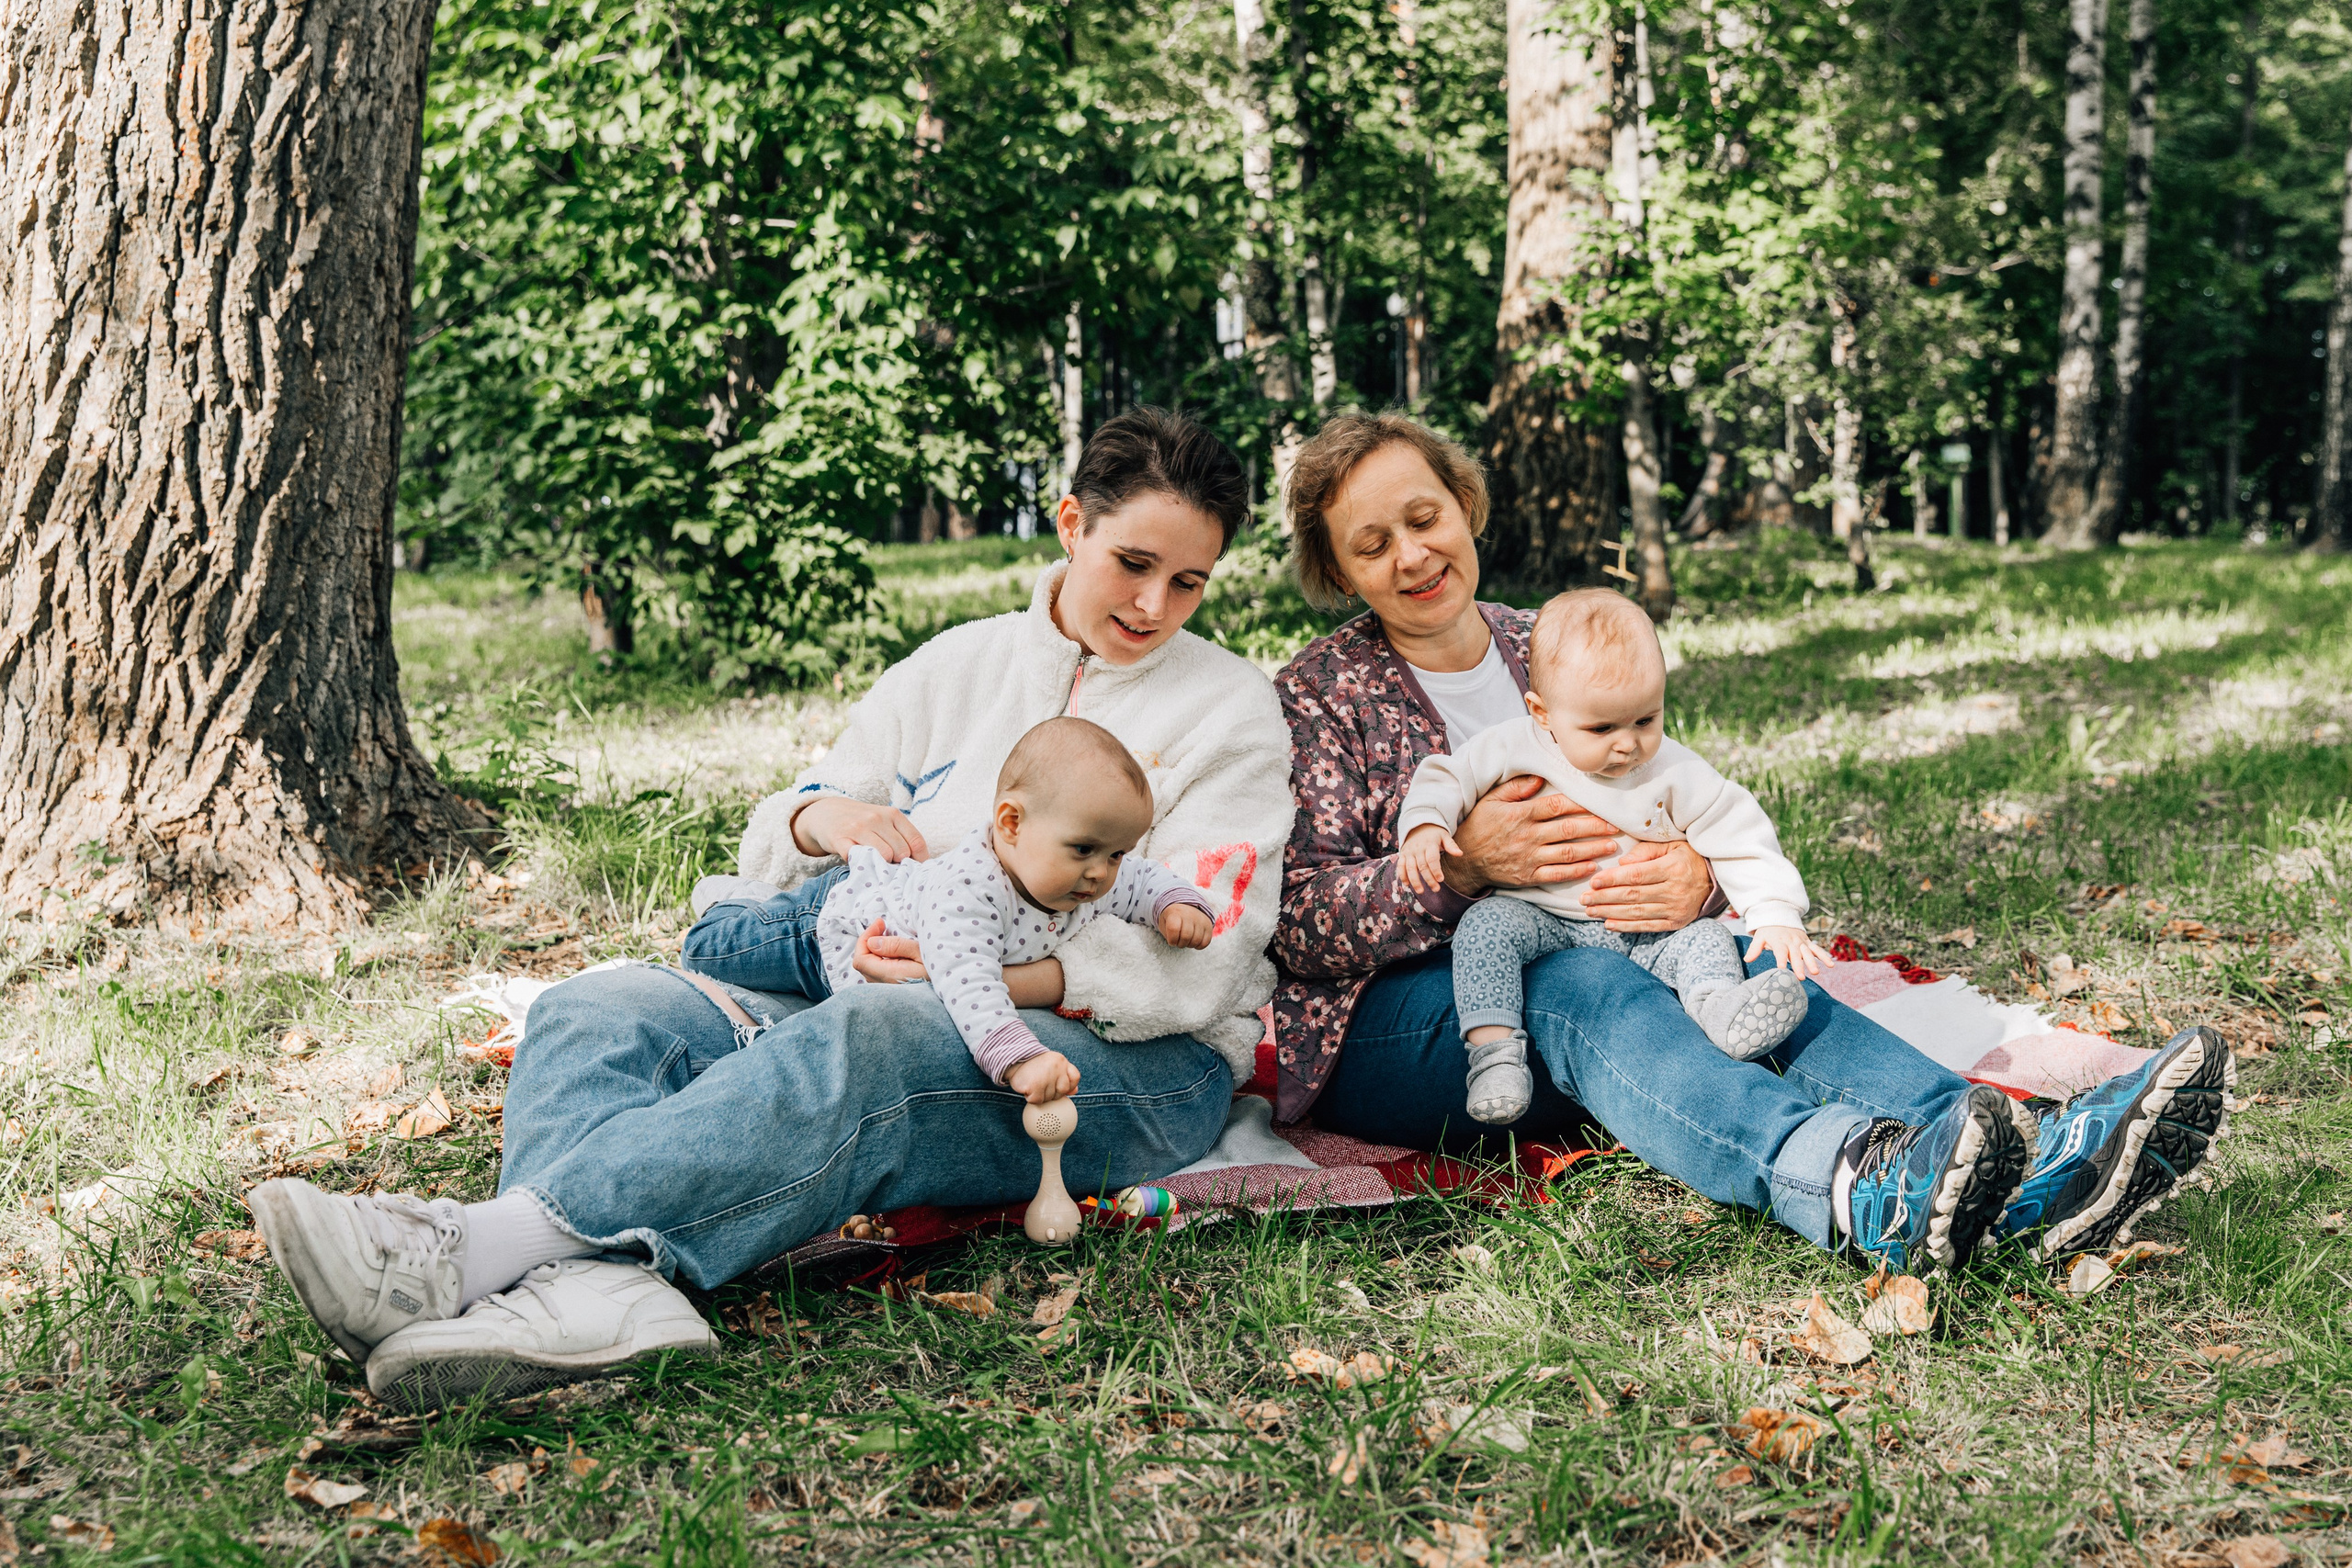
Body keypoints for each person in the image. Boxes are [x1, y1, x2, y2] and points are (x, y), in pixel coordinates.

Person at [247, 408, 1295, 1411]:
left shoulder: (1230, 709)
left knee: (876, 1035)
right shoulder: (957, 667)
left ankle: (469, 1251)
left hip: (1132, 1065)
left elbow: (1215, 952)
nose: (1154, 605)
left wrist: (993, 982)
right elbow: (791, 828)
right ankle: (597, 1295)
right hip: (867, 985)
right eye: (1134, 564)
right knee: (596, 1010)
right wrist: (821, 821)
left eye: (1188, 582)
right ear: (1072, 524)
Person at [1270, 410, 2232, 1278]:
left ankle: (2021, 1155)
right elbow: (1294, 928)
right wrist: (1462, 870)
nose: (1411, 554)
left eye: (1424, 516)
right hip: (1410, 1027)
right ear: (1338, 571)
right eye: (1371, 543)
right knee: (1572, 985)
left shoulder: (1556, 639)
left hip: (1615, 962)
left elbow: (1679, 794)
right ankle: (1858, 1189)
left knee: (1741, 964)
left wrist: (1694, 879)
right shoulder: (1318, 694)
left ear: (1463, 505)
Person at [1396, 587, 1828, 1125]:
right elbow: (1445, 775)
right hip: (1542, 922)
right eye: (1602, 729)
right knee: (1485, 929)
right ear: (1543, 713)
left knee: (1708, 939)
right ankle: (1495, 1054)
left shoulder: (1672, 769)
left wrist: (1777, 914)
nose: (1628, 745)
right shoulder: (1512, 745)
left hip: (1647, 934)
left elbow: (1738, 830)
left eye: (1645, 721)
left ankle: (1720, 1009)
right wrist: (1426, 824)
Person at [810, 716, 1218, 1102]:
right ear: (1011, 824)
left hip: (875, 967)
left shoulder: (1082, 882)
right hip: (830, 922)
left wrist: (1174, 904)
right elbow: (971, 986)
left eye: (1116, 853)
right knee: (746, 943)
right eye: (1083, 848)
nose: (1102, 872)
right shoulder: (973, 890)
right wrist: (1019, 1060)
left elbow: (1141, 879)